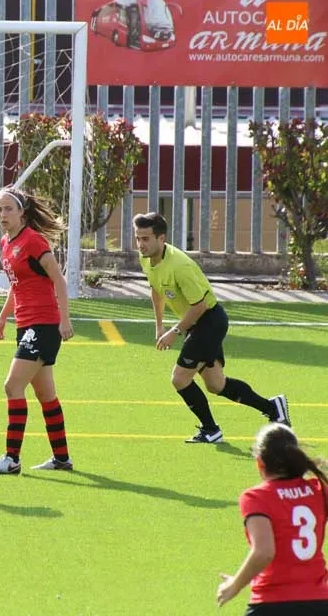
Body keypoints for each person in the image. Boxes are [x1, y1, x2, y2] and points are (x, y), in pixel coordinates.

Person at [133, 212, 290, 443]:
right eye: (138, 238)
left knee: (179, 378)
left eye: (146, 239)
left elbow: (200, 305)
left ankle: (210, 430)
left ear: (161, 238)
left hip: (209, 321)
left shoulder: (180, 266)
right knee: (216, 384)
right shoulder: (146, 259)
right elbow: (156, 289)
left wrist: (174, 332)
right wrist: (159, 326)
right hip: (197, 324)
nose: (140, 244)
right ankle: (273, 407)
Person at [0, 186, 75, 475]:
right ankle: (62, 458)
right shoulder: (7, 242)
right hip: (26, 326)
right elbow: (17, 284)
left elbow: (58, 279)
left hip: (43, 324)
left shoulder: (33, 241)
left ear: (22, 212)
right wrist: (2, 318)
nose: (2, 214)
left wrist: (65, 320)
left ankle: (11, 459)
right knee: (46, 395)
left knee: (12, 386)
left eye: (8, 208)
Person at [217, 423, 328, 613]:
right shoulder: (319, 490)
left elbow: (264, 552)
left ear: (260, 462)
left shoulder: (257, 497)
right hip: (320, 602)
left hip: (272, 603)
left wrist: (234, 585)